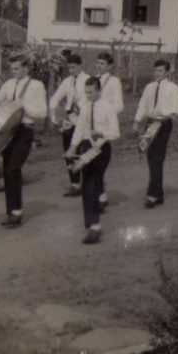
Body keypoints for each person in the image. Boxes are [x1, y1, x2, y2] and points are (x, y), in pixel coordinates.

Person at [0, 55, 47, 228]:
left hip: (24, 130)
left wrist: (23, 108)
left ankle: (16, 211)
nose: (13, 72)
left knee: (13, 168)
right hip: (8, 131)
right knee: (7, 169)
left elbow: (42, 112)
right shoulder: (8, 84)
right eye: (12, 69)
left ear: (26, 69)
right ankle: (12, 211)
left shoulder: (36, 85)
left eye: (17, 68)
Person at [64, 77, 120, 244]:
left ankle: (95, 226)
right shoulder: (85, 107)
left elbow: (115, 133)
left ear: (99, 91)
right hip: (87, 148)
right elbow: (80, 129)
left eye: (91, 92)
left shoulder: (108, 108)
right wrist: (72, 148)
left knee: (93, 183)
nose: (88, 96)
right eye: (86, 93)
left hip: (102, 148)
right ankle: (92, 224)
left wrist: (101, 133)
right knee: (87, 184)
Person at [133, 60, 178, 208]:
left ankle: (152, 194)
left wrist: (159, 113)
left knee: (157, 158)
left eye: (160, 71)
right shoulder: (149, 87)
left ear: (167, 72)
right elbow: (142, 105)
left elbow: (175, 109)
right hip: (149, 124)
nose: (157, 73)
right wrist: (136, 121)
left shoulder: (173, 88)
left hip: (163, 124)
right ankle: (158, 194)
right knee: (150, 157)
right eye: (156, 70)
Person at [50, 54, 89, 197]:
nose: (71, 71)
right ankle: (75, 184)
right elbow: (55, 98)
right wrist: (53, 116)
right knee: (69, 153)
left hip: (83, 120)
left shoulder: (88, 80)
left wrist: (80, 107)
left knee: (84, 153)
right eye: (69, 68)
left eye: (73, 67)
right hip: (70, 120)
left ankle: (87, 183)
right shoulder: (67, 82)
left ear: (80, 65)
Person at [95, 52, 124, 209]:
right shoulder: (93, 80)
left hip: (105, 126)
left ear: (110, 66)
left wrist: (106, 114)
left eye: (102, 64)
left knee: (100, 161)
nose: (99, 66)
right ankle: (98, 195)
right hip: (92, 125)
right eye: (98, 63)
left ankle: (101, 197)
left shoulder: (114, 81)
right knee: (91, 161)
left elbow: (119, 105)